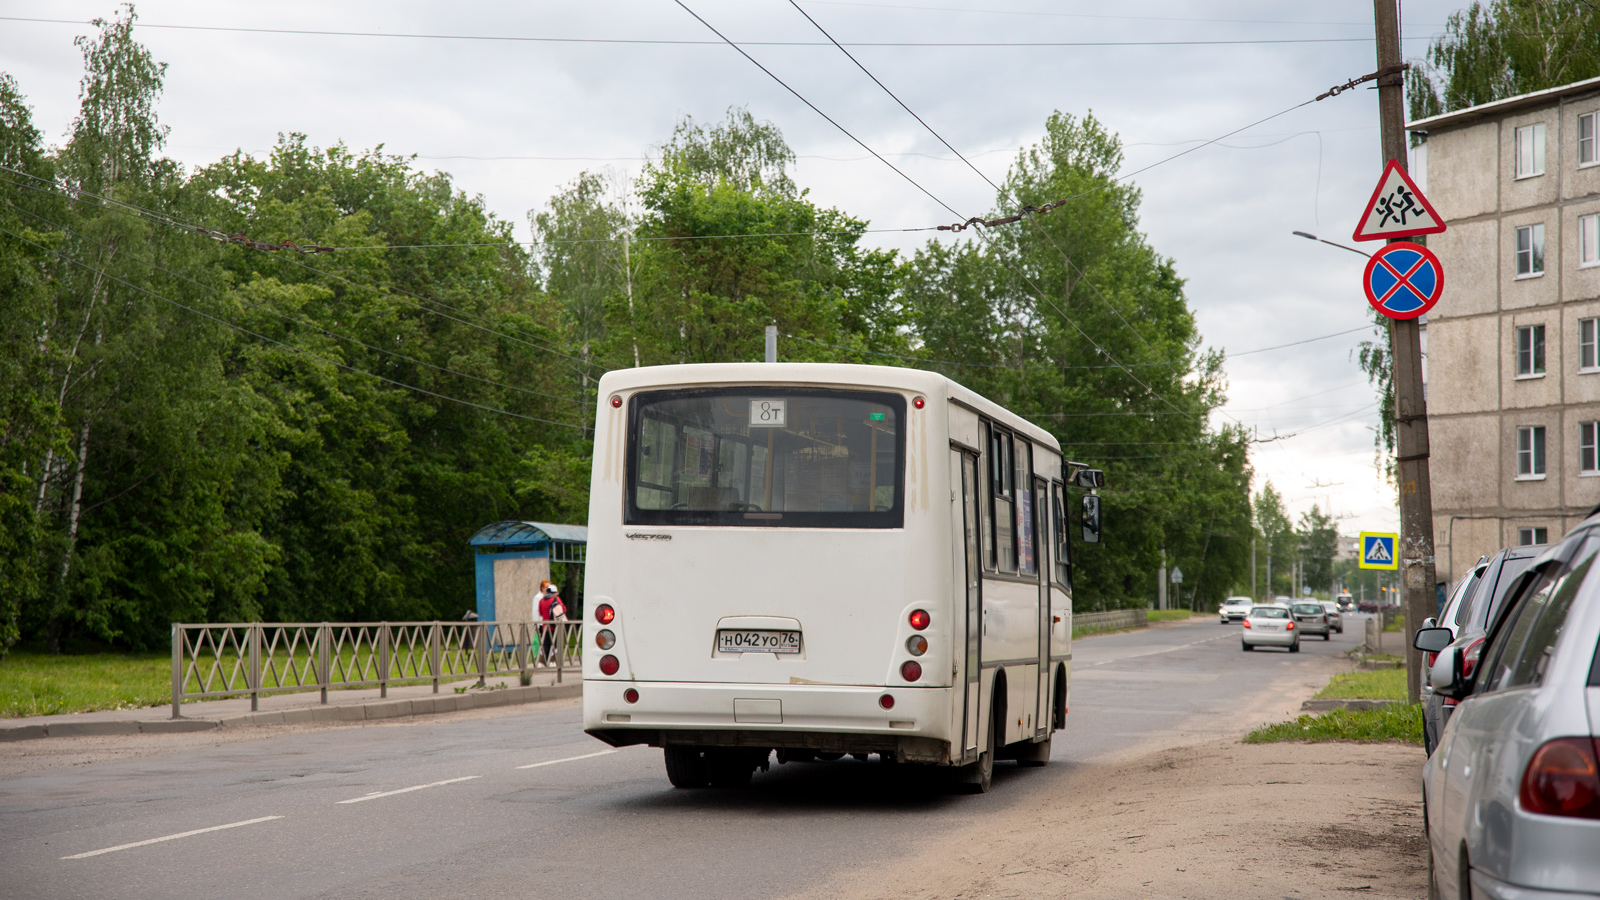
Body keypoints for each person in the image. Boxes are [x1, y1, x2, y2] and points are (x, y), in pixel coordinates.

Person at [537, 582, 567, 664]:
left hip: (544, 626)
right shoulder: (556, 599)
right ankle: (552, 661)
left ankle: (542, 661)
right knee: (554, 643)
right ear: (554, 592)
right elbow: (563, 609)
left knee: (545, 643)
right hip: (554, 626)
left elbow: (540, 613)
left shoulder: (541, 600)